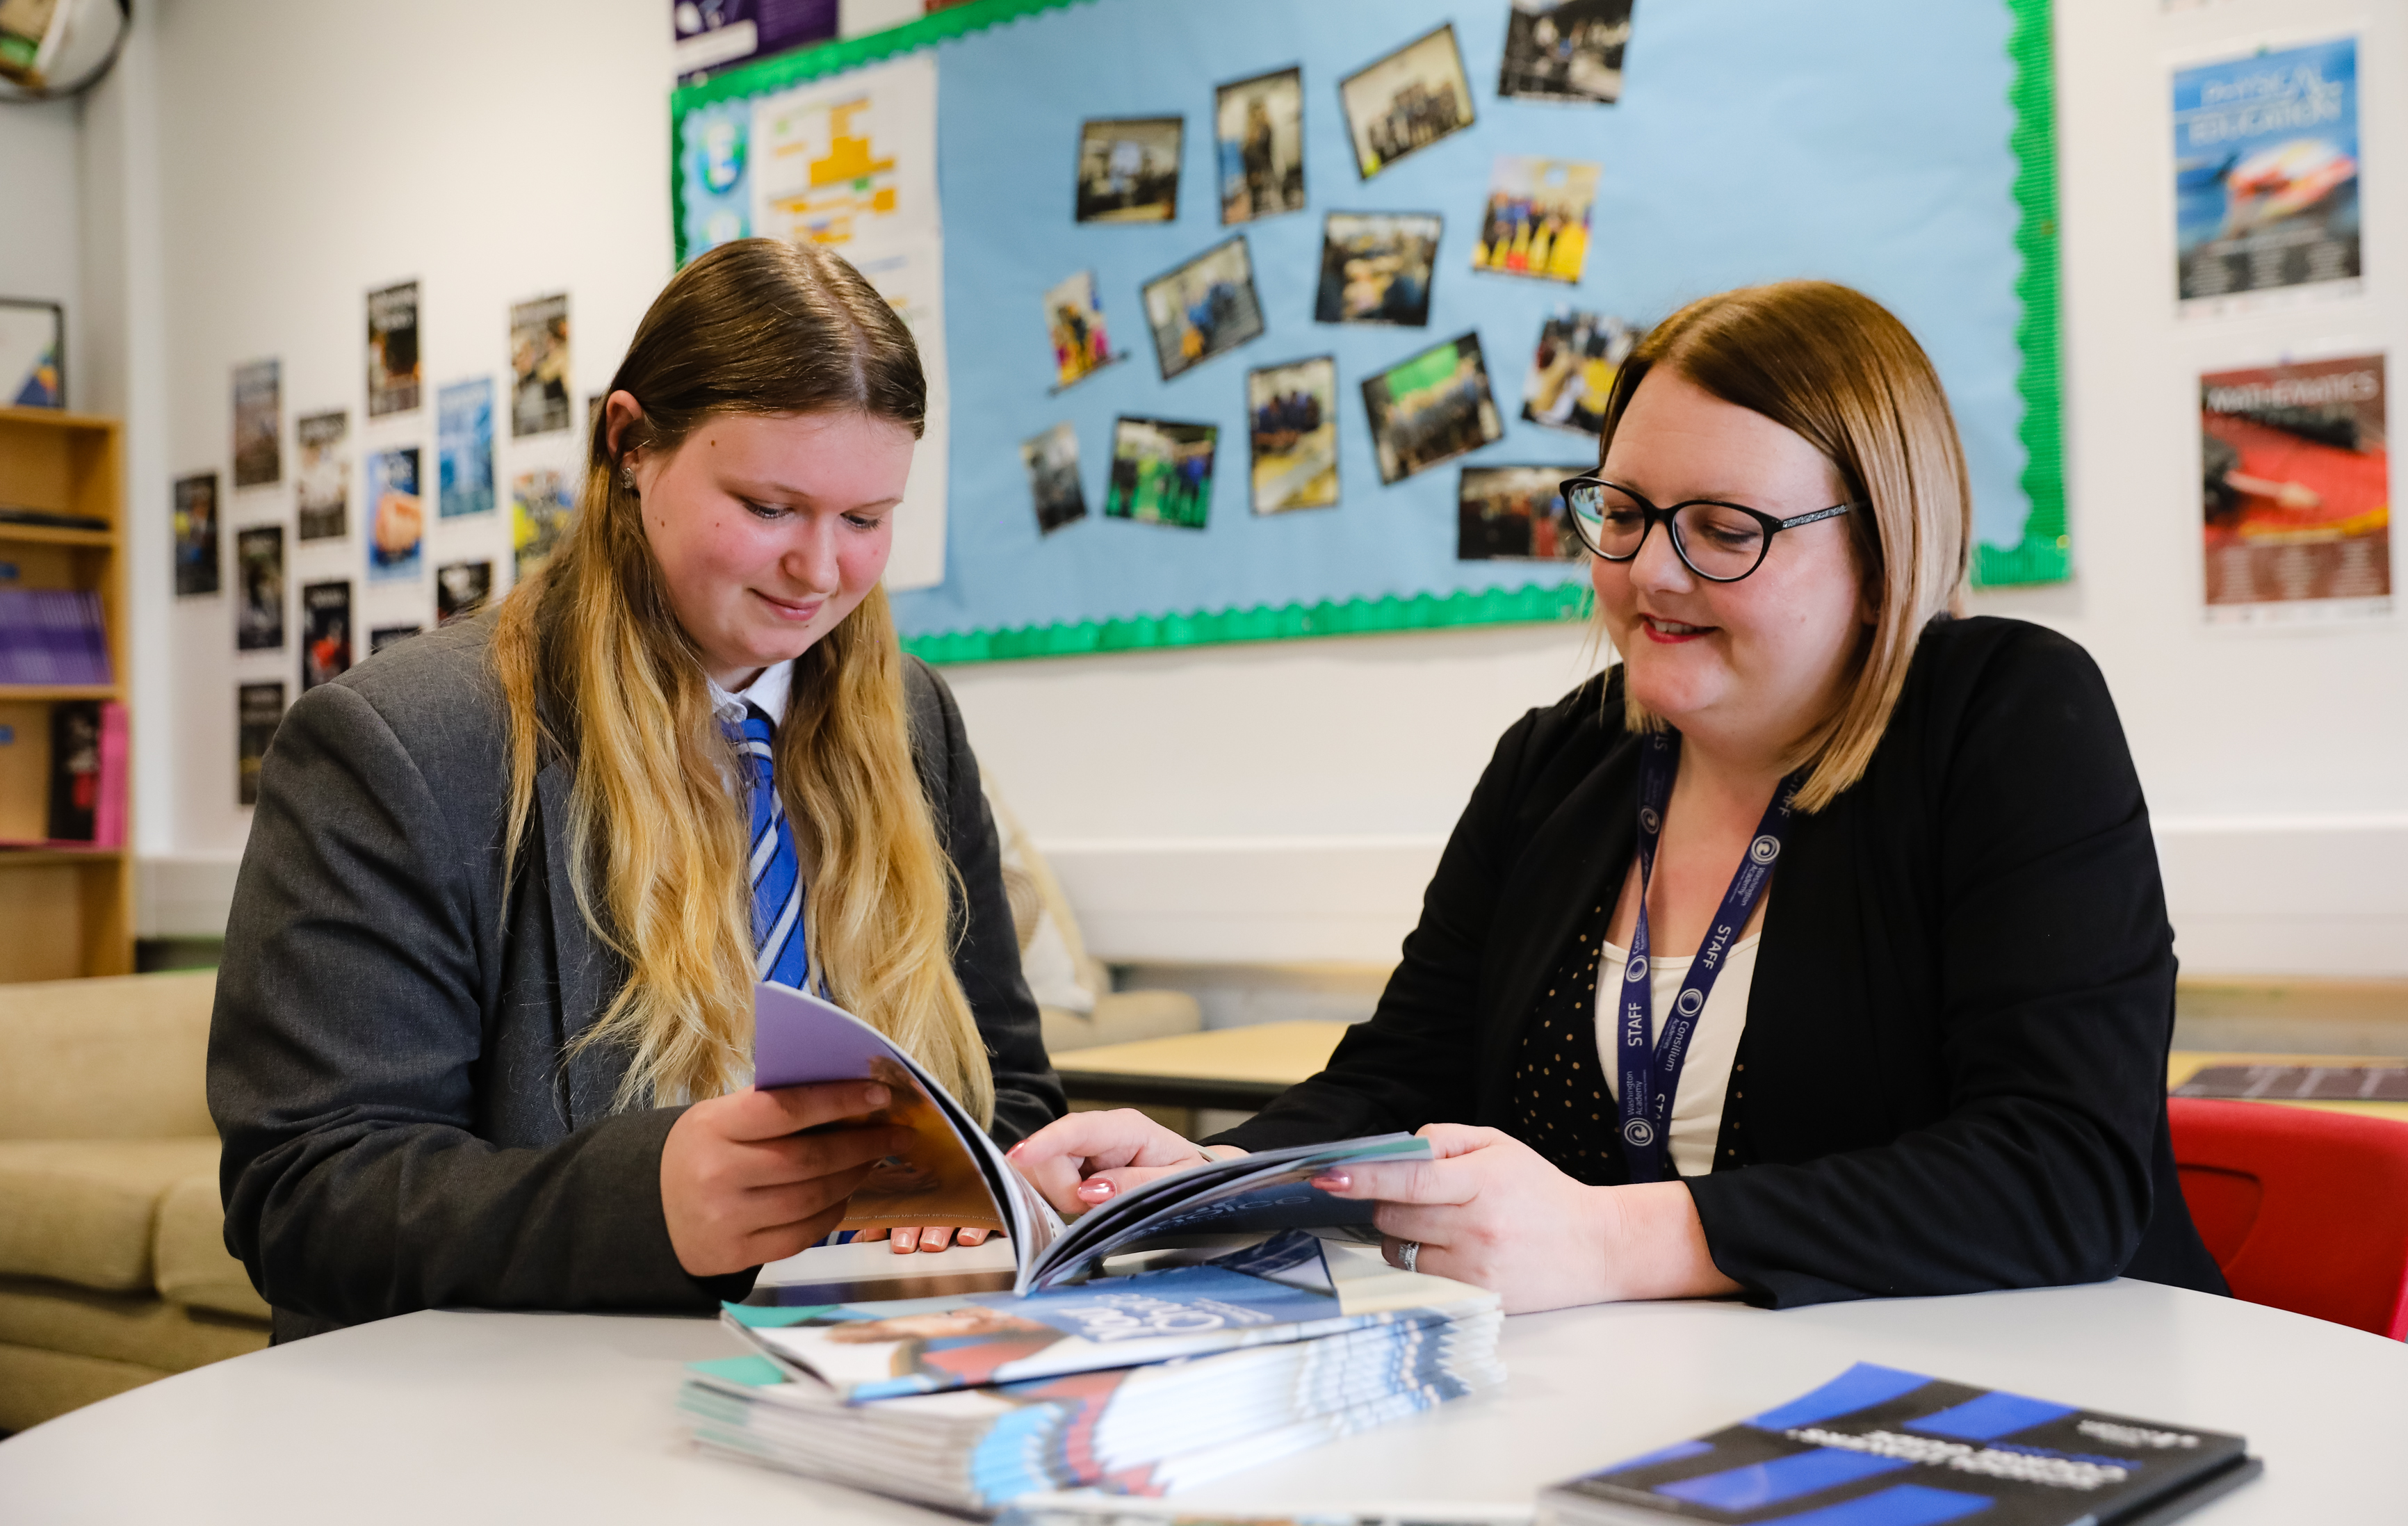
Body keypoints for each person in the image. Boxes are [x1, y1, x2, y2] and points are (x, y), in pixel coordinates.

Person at [1007, 279, 2227, 1314]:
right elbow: (1397, 1080)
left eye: (1721, 529)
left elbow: (2063, 1171)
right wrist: (1205, 1175)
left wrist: (1606, 1240)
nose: (1649, 570)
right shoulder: (1560, 759)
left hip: (2016, 1399)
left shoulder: (2004, 715)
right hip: (1654, 1408)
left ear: (1880, 548)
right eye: (1626, 512)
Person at [211, 238, 1064, 1341]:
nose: (820, 569)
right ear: (631, 445)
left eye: (865, 521)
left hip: (869, 1379)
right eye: (768, 505)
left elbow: (1009, 1085)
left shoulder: (912, 719)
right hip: (511, 1428)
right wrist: (648, 1205)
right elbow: (304, 1193)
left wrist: (1026, 1177)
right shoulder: (399, 745)